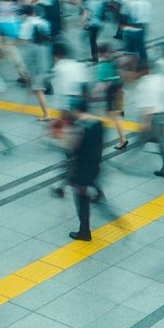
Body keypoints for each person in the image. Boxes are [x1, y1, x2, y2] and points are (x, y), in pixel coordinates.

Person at [64, 99, 103, 241]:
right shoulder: (98, 123)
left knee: (81, 200)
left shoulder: (79, 127)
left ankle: (84, 231)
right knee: (87, 190)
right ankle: (98, 195)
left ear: (75, 110)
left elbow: (71, 146)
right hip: (95, 165)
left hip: (80, 168)